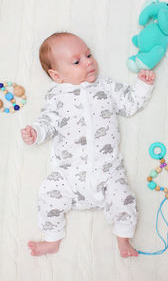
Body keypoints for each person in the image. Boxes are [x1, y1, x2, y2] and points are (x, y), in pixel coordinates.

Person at [21, 32, 156, 258]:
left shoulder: (106, 87)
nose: (88, 62)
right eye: (77, 61)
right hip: (68, 174)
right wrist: (36, 133)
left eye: (88, 55)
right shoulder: (56, 96)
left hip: (107, 171)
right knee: (48, 194)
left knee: (125, 197)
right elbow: (48, 122)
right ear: (57, 75)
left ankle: (123, 239)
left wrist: (143, 86)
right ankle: (52, 239)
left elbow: (129, 104)